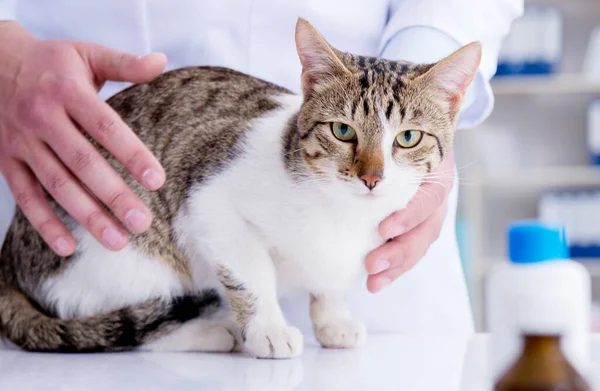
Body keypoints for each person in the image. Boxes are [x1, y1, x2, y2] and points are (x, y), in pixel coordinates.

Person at [0, 0, 523, 334]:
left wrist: (422, 88)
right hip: (64, 145)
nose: (372, 168)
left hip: (385, 297)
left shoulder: (394, 141)